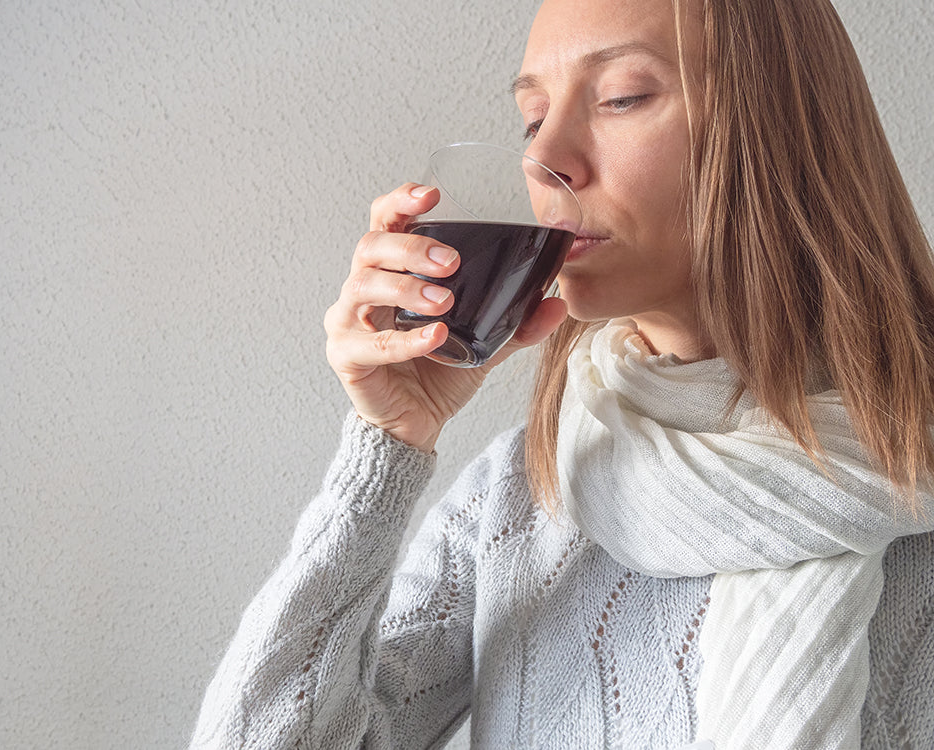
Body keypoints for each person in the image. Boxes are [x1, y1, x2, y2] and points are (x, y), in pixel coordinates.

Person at [190, 0, 934, 747]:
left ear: (782, 121)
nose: (551, 161)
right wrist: (387, 445)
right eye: (533, 118)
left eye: (621, 98)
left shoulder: (916, 478)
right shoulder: (521, 493)